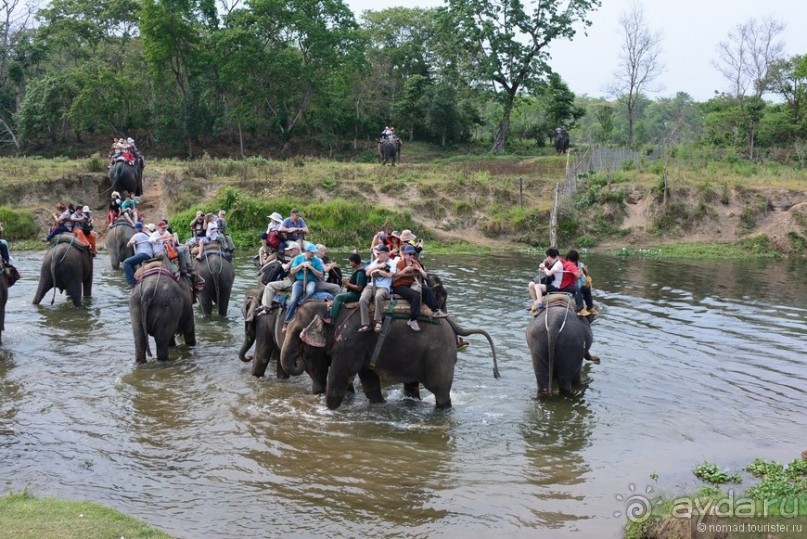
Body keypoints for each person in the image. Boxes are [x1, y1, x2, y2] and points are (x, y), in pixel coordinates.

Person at [391, 244, 447, 332]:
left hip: (411, 283)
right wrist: (405, 270)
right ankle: (413, 319)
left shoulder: (415, 262)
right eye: (409, 254)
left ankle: (436, 309)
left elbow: (425, 276)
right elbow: (396, 277)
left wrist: (419, 270)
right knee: (415, 296)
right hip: (399, 285)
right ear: (405, 255)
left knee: (427, 290)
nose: (411, 256)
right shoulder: (400, 263)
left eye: (412, 254)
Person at [282, 243, 325, 331]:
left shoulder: (316, 261)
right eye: (311, 252)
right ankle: (286, 322)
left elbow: (320, 275)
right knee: (293, 299)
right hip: (299, 282)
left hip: (311, 281)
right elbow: (292, 271)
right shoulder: (298, 258)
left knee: (310, 291)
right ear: (306, 251)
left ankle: (301, 303)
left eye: (314, 252)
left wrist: (311, 268)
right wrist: (301, 265)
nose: (313, 254)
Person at [357, 244, 396, 333]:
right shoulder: (376, 261)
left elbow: (389, 274)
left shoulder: (392, 262)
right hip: (371, 285)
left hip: (384, 286)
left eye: (380, 253)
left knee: (378, 296)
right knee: (362, 299)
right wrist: (378, 267)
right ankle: (365, 324)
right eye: (377, 253)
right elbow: (367, 273)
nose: (378, 255)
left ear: (386, 254)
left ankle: (378, 321)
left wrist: (378, 272)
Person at [256, 242, 301, 315]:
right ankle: (265, 305)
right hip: (294, 281)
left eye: (291, 250)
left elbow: (286, 268)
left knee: (269, 286)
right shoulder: (300, 257)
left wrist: (281, 263)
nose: (289, 252)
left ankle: (266, 307)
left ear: (296, 250)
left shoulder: (297, 258)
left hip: (291, 282)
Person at [322, 253, 366, 325]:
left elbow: (359, 288)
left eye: (350, 262)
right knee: (339, 295)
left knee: (338, 297)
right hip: (353, 292)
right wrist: (347, 284)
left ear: (354, 262)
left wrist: (347, 284)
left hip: (356, 294)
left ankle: (331, 318)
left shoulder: (360, 273)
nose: (350, 264)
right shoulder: (358, 271)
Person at [565, 249, 597, 315]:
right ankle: (580, 309)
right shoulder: (567, 265)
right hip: (568, 286)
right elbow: (578, 276)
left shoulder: (580, 265)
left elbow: (585, 272)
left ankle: (590, 307)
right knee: (577, 288)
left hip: (575, 285)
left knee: (586, 288)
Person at [123, 222, 155, 288]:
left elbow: (128, 245)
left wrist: (132, 242)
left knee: (126, 262)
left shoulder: (137, 235)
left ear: (135, 229)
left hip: (144, 254)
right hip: (150, 254)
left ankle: (131, 282)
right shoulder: (148, 234)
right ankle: (135, 277)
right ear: (142, 228)